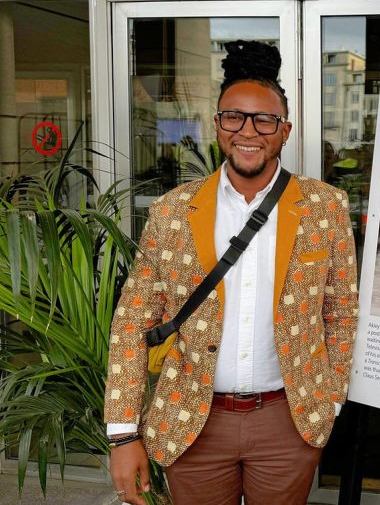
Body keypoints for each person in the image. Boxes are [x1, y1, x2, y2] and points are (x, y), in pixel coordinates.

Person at [103, 40, 358, 505]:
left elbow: (341, 312)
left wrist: (331, 399)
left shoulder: (325, 207)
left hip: (288, 420)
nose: (248, 131)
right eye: (234, 117)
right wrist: (122, 433)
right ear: (218, 124)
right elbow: (133, 320)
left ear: (285, 131)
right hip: (191, 420)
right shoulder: (173, 211)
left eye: (265, 120)